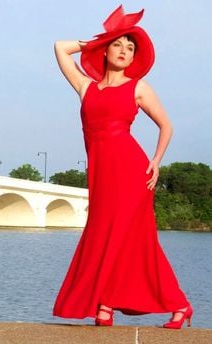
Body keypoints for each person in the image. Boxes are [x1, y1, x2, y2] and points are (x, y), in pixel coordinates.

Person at [52, 5, 192, 329]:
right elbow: (60, 47)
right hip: (101, 175)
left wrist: (156, 162)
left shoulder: (138, 87)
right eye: (119, 44)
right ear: (107, 49)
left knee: (126, 239)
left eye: (130, 48)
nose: (125, 51)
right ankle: (126, 305)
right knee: (105, 235)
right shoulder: (85, 86)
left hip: (132, 172)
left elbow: (166, 125)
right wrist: (98, 41)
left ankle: (110, 306)